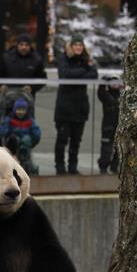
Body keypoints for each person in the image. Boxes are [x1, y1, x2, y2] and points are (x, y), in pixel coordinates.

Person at [54, 36, 98, 175]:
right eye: (76, 45)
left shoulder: (85, 59)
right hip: (64, 108)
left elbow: (94, 75)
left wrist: (79, 73)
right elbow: (65, 75)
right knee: (62, 140)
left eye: (80, 45)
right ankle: (60, 166)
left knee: (76, 141)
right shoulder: (64, 59)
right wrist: (83, 71)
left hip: (80, 108)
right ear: (71, 46)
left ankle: (73, 167)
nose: (78, 47)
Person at [1, 96, 42, 175]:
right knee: (15, 139)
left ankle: (27, 163)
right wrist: (8, 133)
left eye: (23, 110)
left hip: (25, 142)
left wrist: (36, 137)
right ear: (14, 110)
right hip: (13, 142)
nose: (20, 112)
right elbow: (3, 129)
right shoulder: (9, 119)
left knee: (26, 140)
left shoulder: (29, 120)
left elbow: (35, 130)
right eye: (18, 109)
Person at [97, 74, 121, 174]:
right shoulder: (106, 95)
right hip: (108, 124)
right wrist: (105, 80)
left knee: (119, 147)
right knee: (106, 147)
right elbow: (101, 91)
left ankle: (114, 166)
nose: (115, 85)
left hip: (119, 125)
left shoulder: (121, 95)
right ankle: (103, 166)